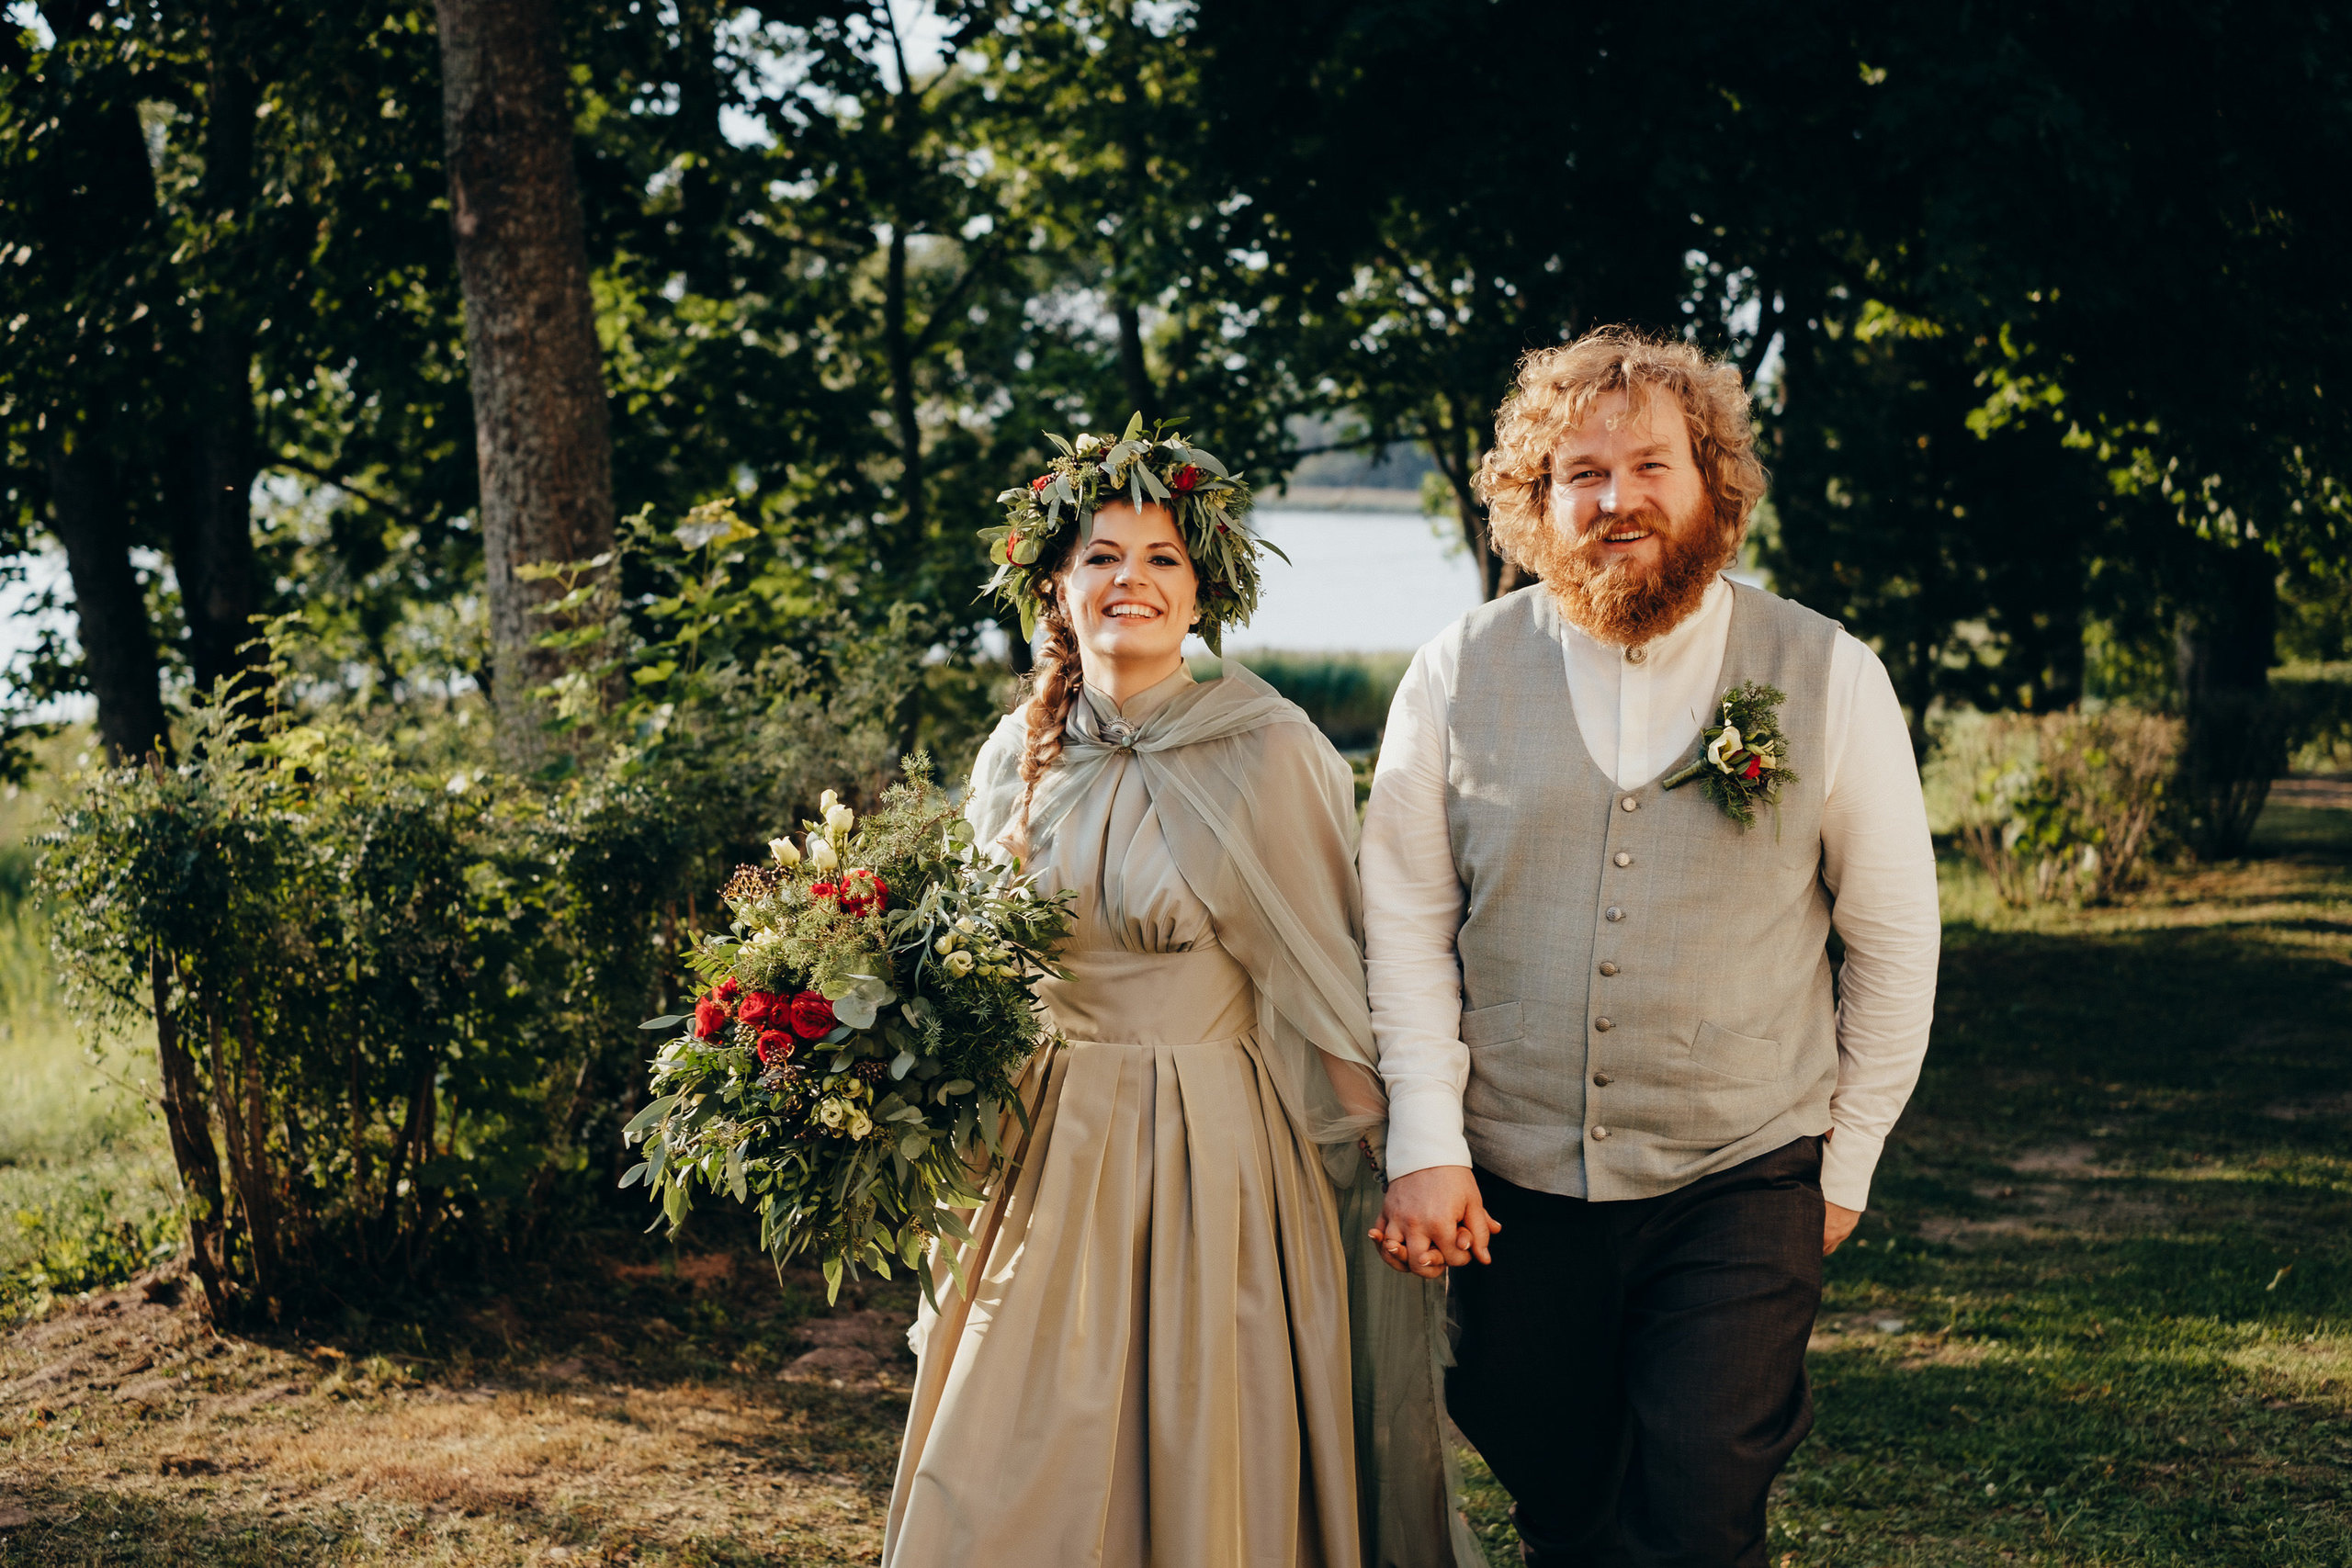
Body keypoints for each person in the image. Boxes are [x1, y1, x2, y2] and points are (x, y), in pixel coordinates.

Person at [1363, 329, 1941, 1568]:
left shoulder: (1830, 672)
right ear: (1537, 499)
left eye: (1649, 464)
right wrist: (1427, 1138)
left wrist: (1846, 1162)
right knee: (1561, 1500)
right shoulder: (1456, 673)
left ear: (1710, 481)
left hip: (1741, 1174)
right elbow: (1406, 924)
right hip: (1511, 1187)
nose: (1617, 496)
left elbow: (1893, 939)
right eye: (1581, 470)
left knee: (1699, 1506)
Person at [885, 416, 1482, 1568]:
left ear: (1201, 590)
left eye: (1162, 560)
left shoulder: (1272, 748)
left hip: (1212, 1149)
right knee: (1000, 1454)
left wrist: (1396, 1156)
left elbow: (1325, 969)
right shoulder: (1017, 751)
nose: (1131, 582)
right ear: (1054, 588)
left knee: (1203, 1430)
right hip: (1042, 1139)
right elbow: (972, 966)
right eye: (1101, 557)